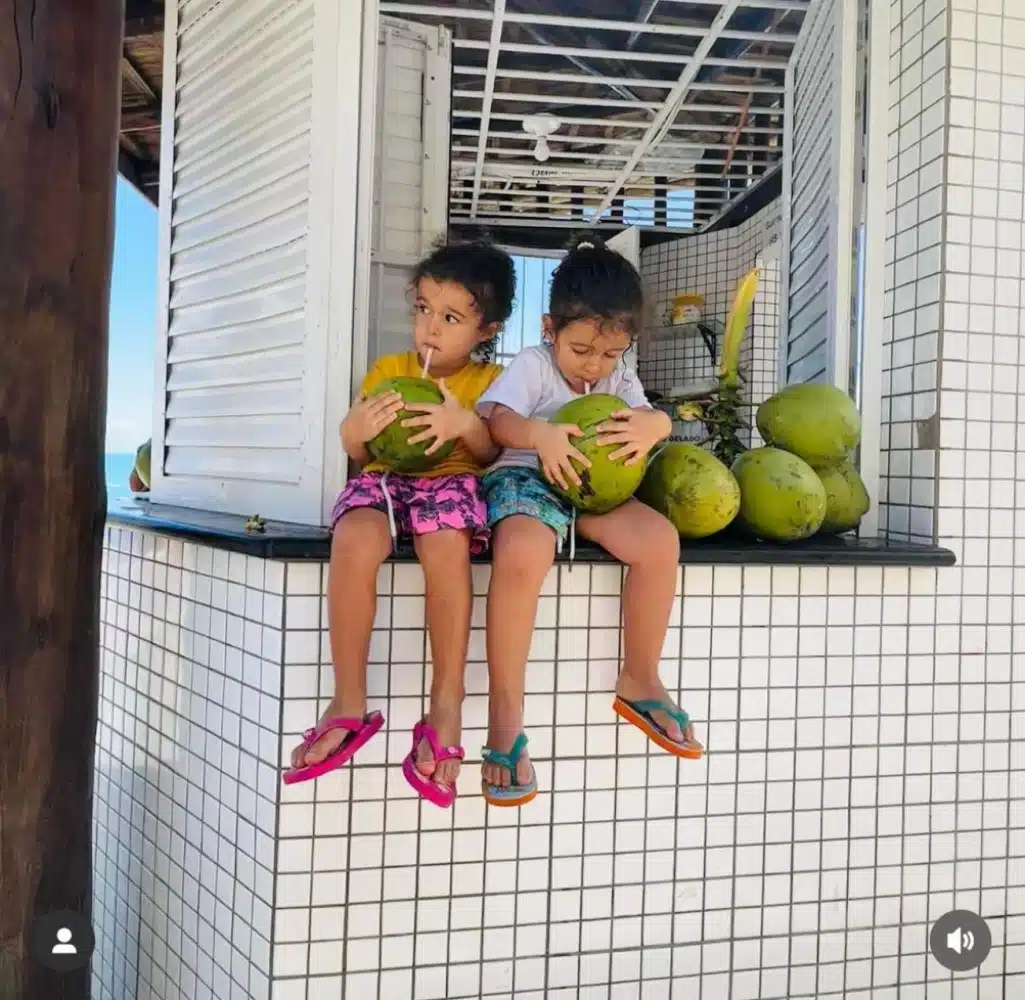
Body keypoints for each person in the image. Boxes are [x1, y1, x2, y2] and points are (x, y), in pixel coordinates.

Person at [284, 241, 516, 808]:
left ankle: (446, 707)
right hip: (387, 480)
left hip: (451, 484)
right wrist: (355, 426)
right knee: (354, 536)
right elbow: (360, 453)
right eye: (423, 310)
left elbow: (488, 455)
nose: (431, 329)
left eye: (452, 317)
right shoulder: (390, 371)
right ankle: (347, 700)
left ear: (486, 330)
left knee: (444, 546)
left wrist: (463, 423)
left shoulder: (492, 383)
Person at [475, 235, 704, 807]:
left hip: (595, 491)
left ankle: (640, 678)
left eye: (609, 354)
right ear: (550, 328)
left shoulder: (618, 373)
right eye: (581, 351)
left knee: (658, 542)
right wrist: (540, 434)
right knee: (524, 551)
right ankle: (505, 717)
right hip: (528, 479)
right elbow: (498, 422)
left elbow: (646, 414)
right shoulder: (533, 364)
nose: (594, 367)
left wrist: (657, 424)